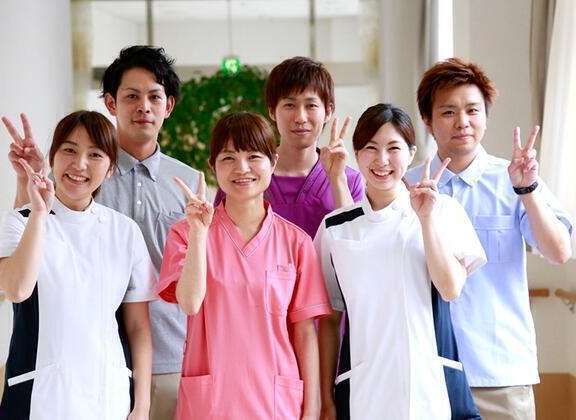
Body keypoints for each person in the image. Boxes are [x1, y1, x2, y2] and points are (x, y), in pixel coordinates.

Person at [8, 46, 200, 420]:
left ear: (169, 106)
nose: (144, 107)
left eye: (154, 97)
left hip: (172, 355)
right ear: (111, 103)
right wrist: (24, 180)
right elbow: (31, 229)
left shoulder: (189, 183)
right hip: (95, 358)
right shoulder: (82, 178)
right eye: (131, 96)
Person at [405, 58, 572, 419]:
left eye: (472, 110)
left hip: (499, 372)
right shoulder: (408, 186)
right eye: (448, 111)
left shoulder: (513, 178)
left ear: (485, 116)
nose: (462, 121)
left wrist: (526, 190)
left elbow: (559, 252)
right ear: (428, 121)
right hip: (425, 370)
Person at [315, 104, 486, 419]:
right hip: (364, 390)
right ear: (356, 154)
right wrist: (325, 398)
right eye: (371, 148)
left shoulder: (444, 211)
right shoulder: (335, 228)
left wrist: (426, 219)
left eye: (394, 148)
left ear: (411, 153)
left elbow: (450, 289)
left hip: (430, 388)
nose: (382, 160)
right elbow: (329, 318)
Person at [158, 111, 332, 419]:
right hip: (211, 404)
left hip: (276, 403)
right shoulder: (185, 233)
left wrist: (313, 408)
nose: (242, 168)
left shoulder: (296, 243)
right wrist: (199, 233)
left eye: (253, 156)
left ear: (273, 162)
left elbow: (305, 333)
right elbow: (189, 303)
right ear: (212, 166)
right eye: (228, 158)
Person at [0, 111, 155, 420]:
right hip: (40, 398)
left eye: (95, 154)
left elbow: (138, 327)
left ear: (110, 169)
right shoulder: (21, 221)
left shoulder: (125, 232)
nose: (80, 164)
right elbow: (16, 290)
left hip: (108, 393)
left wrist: (142, 406)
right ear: (52, 158)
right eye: (69, 150)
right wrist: (39, 213)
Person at [215, 56, 363, 238]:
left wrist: (337, 179)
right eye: (290, 105)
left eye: (311, 105)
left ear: (328, 111)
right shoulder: (242, 177)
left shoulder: (349, 180)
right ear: (272, 111)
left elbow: (356, 244)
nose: (300, 118)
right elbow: (220, 242)